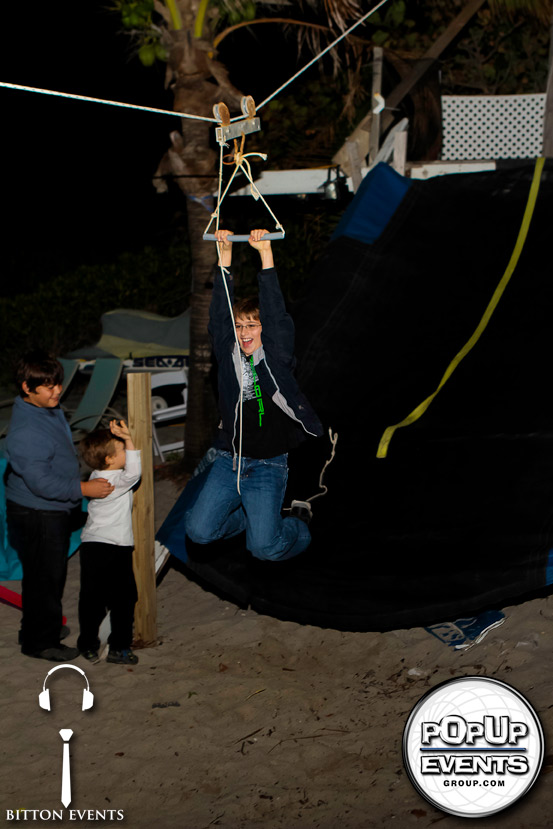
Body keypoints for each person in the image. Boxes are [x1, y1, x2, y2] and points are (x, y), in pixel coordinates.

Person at [184, 228, 323, 561]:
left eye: (252, 325)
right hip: (229, 463)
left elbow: (275, 314)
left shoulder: (276, 357)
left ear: (264, 330)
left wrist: (265, 254)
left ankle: (300, 525)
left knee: (265, 549)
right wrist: (225, 257)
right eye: (241, 326)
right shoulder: (229, 353)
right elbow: (218, 317)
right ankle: (251, 518)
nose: (245, 333)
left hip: (267, 466)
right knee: (199, 532)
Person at [5, 350, 114, 661]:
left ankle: (35, 627)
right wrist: (84, 488)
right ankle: (40, 642)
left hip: (46, 509)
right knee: (46, 577)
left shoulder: (43, 409)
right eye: (48, 387)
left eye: (58, 384)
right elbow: (41, 483)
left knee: (41, 575)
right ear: (27, 387)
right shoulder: (26, 432)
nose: (57, 391)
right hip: (36, 512)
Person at [78, 419, 141, 665]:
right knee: (123, 598)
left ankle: (88, 644)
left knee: (93, 598)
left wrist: (123, 441)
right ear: (109, 460)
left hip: (94, 546)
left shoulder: (97, 476)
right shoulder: (111, 481)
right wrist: (128, 438)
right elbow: (135, 472)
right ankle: (118, 647)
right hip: (112, 547)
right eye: (122, 451)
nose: (127, 452)